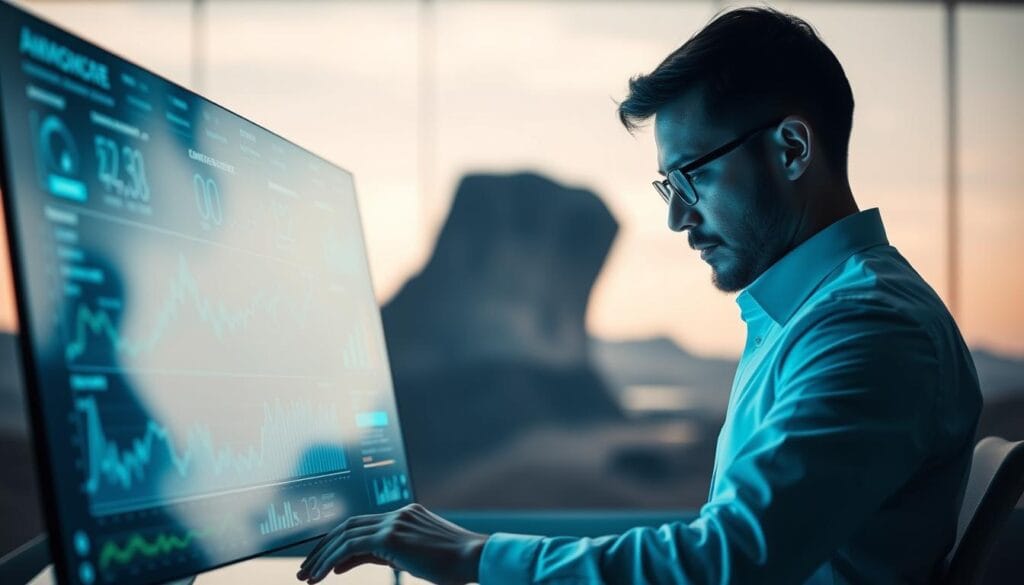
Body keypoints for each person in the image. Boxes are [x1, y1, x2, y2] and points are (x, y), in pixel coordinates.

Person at [296, 7, 982, 584]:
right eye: (667, 187)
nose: (677, 218)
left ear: (792, 149)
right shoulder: (816, 317)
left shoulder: (868, 329)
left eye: (691, 178)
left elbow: (727, 560)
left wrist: (473, 554)